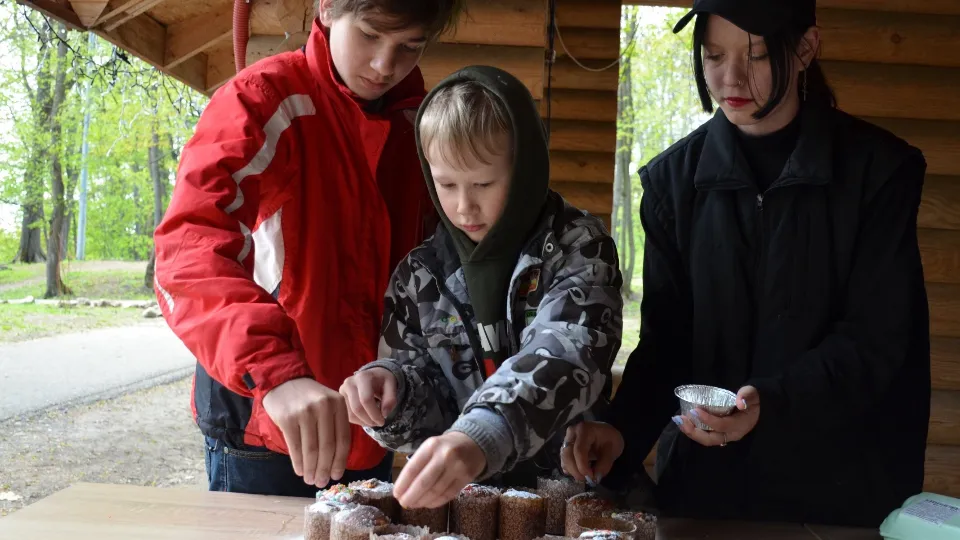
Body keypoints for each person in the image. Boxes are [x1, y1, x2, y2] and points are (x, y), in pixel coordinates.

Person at [561, 0, 931, 527]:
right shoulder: (672, 186)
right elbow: (667, 343)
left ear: (805, 49)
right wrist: (619, 429)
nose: (730, 77)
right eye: (713, 55)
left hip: (843, 496)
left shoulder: (878, 174)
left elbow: (876, 340)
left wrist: (771, 404)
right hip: (710, 493)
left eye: (755, 55)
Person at [152, 0, 464, 497]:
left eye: (410, 46)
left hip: (376, 428)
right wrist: (275, 374)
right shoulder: (259, 101)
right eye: (369, 35)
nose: (385, 65)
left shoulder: (423, 127)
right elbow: (187, 252)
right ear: (326, 8)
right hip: (263, 425)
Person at [338, 66, 624, 509]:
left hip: (566, 501)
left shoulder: (577, 247)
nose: (463, 205)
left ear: (525, 167)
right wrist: (389, 393)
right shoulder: (420, 273)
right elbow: (426, 406)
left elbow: (568, 349)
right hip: (465, 509)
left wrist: (481, 434)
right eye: (446, 184)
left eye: (484, 184)